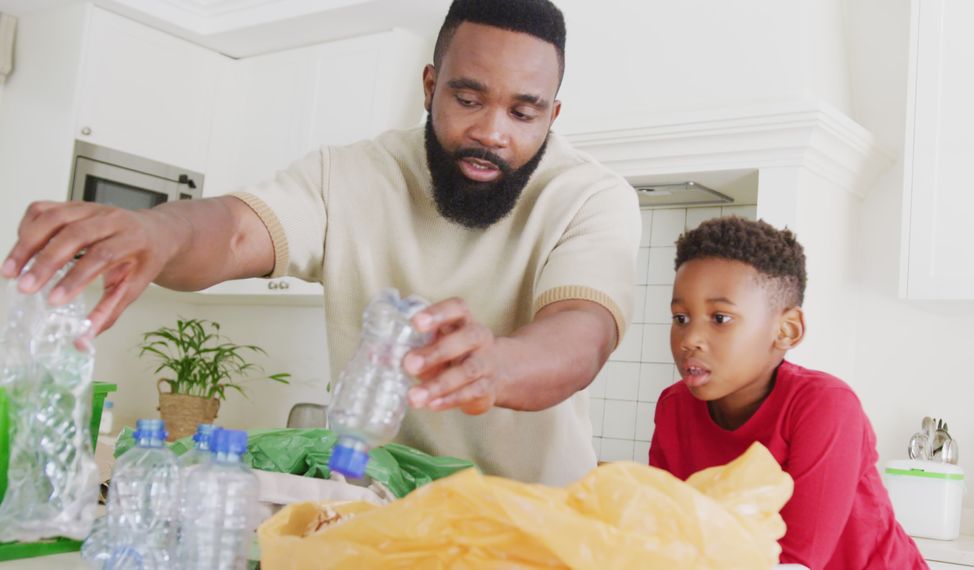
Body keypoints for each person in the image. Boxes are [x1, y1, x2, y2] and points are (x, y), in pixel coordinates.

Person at [1, 0, 639, 485]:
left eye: (523, 113)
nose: (491, 132)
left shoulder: (591, 196)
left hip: (531, 525)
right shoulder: (349, 174)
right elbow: (236, 229)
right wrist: (157, 229)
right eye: (467, 98)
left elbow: (581, 335)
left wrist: (495, 365)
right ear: (429, 86)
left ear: (553, 115)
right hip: (377, 513)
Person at [649, 217, 926, 569]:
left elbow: (798, 562)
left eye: (719, 318)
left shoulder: (825, 405)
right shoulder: (674, 407)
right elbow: (663, 531)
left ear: (787, 330)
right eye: (680, 318)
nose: (689, 340)